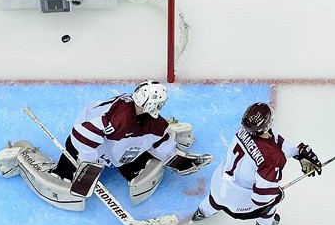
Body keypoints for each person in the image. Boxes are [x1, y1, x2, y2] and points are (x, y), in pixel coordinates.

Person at [50, 79, 213, 202]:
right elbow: (82, 133)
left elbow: (158, 139)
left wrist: (177, 160)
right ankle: (63, 174)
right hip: (89, 145)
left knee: (133, 149)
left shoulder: (152, 122)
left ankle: (134, 169)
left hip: (113, 149)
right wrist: (89, 162)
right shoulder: (117, 119)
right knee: (73, 148)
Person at [190, 102, 323, 225]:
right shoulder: (272, 158)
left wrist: (297, 152)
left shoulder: (243, 129)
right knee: (269, 207)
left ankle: (202, 212)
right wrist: (277, 196)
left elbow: (272, 140)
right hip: (239, 207)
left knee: (217, 198)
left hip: (218, 185)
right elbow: (262, 199)